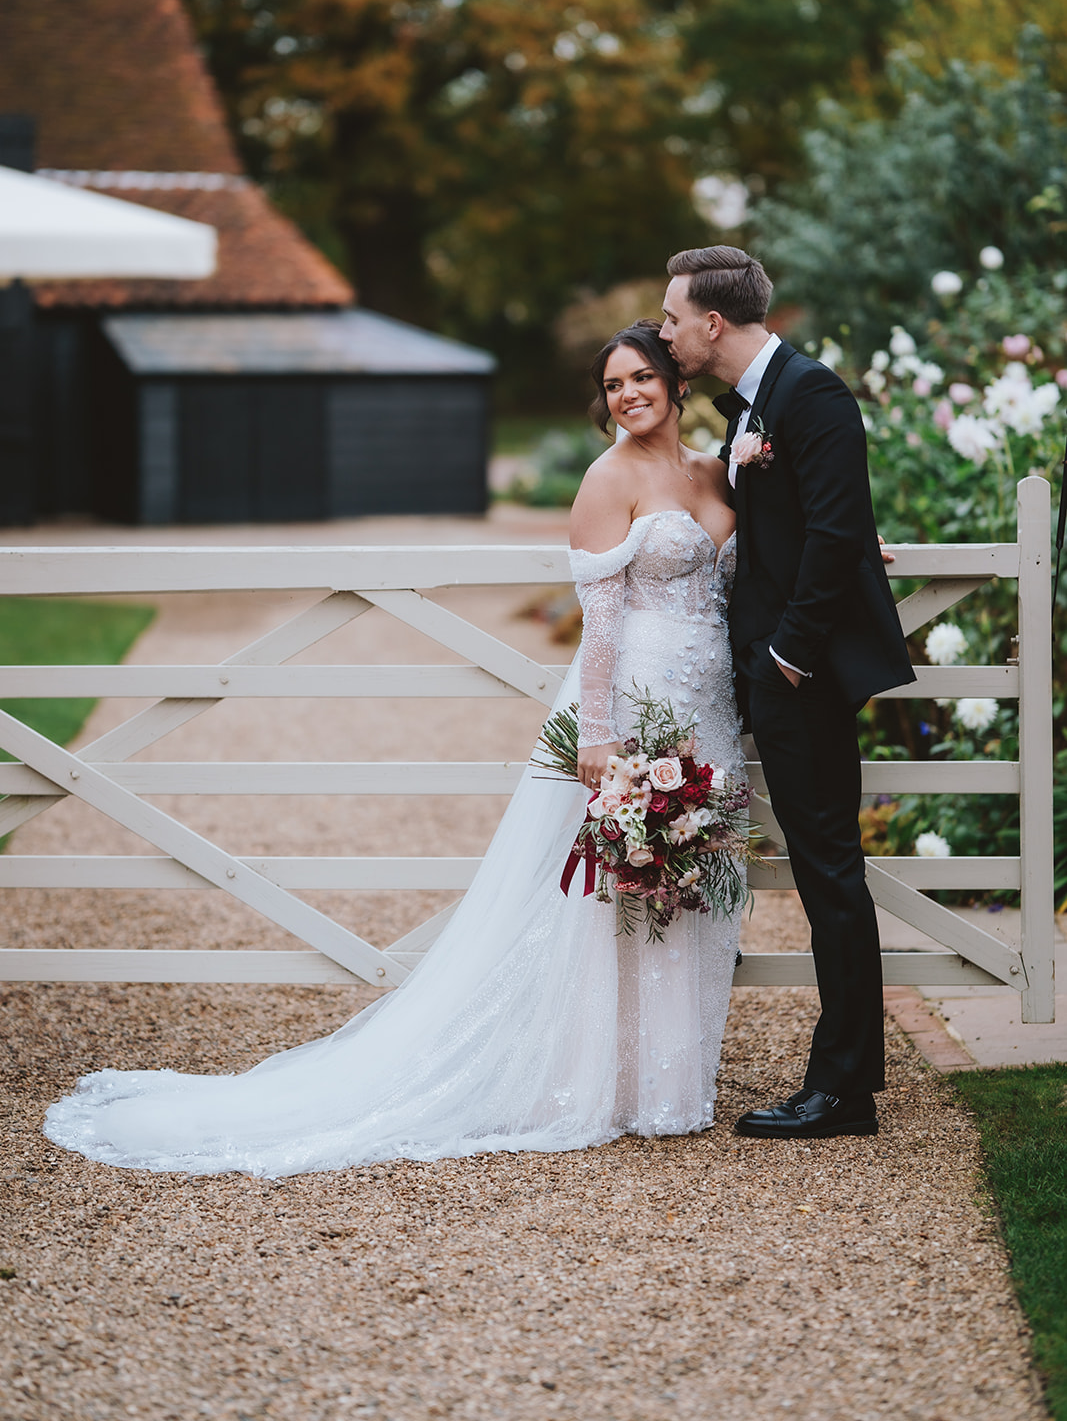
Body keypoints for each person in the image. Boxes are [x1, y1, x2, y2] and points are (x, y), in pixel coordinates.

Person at [43, 322, 747, 1177]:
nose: (627, 395)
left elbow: (749, 571)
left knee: (687, 886)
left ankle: (667, 1085)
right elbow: (598, 629)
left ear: (676, 384)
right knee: (609, 895)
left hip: (707, 708)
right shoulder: (607, 481)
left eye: (642, 377)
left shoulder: (717, 471)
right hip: (633, 707)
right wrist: (596, 736)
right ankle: (600, 1081)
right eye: (612, 385)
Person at [660, 245, 915, 1141]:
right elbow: (812, 519)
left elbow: (838, 527)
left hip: (794, 680)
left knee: (829, 874)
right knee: (819, 873)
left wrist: (789, 658)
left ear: (712, 323)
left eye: (671, 318)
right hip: (768, 672)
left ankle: (841, 1091)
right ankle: (842, 1078)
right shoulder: (758, 406)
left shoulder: (811, 394)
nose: (665, 332)